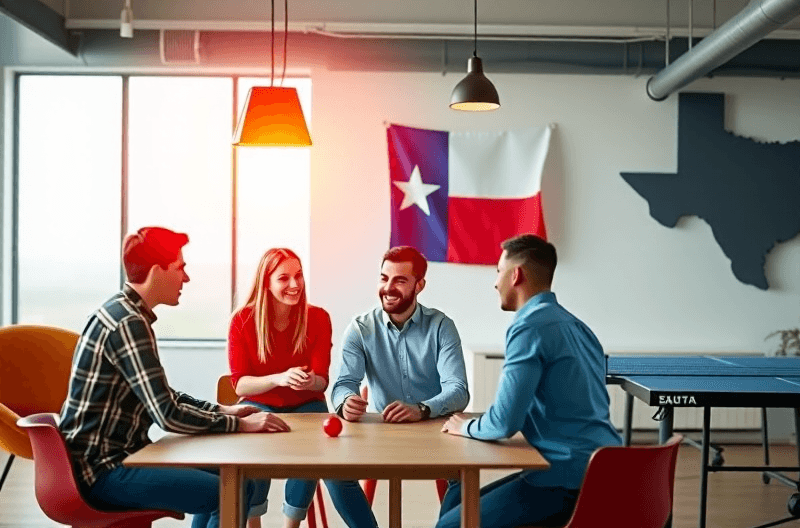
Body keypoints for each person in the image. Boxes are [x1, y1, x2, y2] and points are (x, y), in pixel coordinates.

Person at [59, 227, 290, 528]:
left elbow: (162, 395)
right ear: (157, 271)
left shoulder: (122, 312)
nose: (186, 278)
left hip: (109, 460)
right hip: (104, 472)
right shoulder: (129, 324)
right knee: (234, 489)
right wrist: (241, 424)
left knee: (231, 476)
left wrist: (222, 410)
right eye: (180, 268)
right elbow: (167, 415)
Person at [437, 234, 622, 528]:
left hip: (566, 478)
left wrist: (465, 426)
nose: (495, 283)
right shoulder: (579, 327)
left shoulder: (529, 326)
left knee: (449, 525)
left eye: (498, 272)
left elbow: (504, 423)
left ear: (516, 275)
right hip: (608, 468)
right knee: (458, 501)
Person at [228, 248, 378, 528]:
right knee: (259, 441)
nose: (294, 284)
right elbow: (240, 383)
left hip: (307, 404)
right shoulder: (242, 321)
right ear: (266, 282)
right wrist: (279, 378)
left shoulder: (318, 318)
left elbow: (322, 379)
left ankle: (291, 526)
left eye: (298, 276)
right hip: (259, 402)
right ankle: (254, 523)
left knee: (313, 450)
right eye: (284, 278)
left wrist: (311, 381)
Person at [331, 245, 469, 424]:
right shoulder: (360, 329)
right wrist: (346, 402)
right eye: (384, 279)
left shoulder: (441, 327)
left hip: (431, 427)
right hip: (381, 429)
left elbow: (458, 391)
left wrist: (422, 409)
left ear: (419, 285)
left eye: (400, 281)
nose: (388, 288)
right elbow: (343, 384)